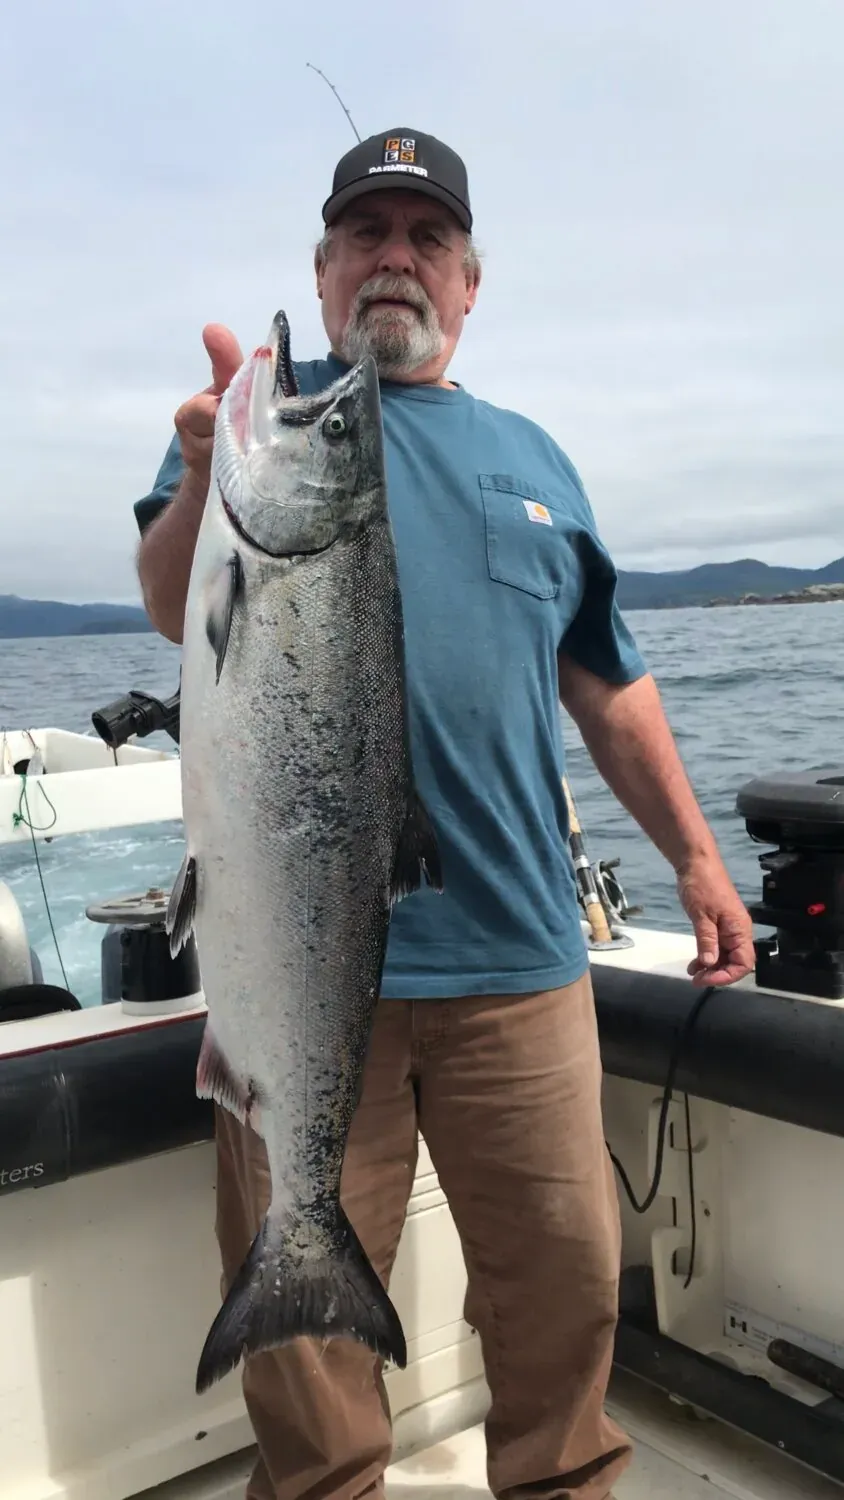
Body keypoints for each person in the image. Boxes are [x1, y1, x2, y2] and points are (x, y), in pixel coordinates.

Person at [134, 128, 754, 1500]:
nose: (394, 259)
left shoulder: (537, 458)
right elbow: (180, 607)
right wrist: (195, 476)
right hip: (293, 978)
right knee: (303, 1360)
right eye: (367, 235)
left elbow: (613, 690)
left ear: (470, 285)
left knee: (562, 1296)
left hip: (521, 966)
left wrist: (700, 864)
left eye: (427, 239)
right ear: (324, 266)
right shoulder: (256, 424)